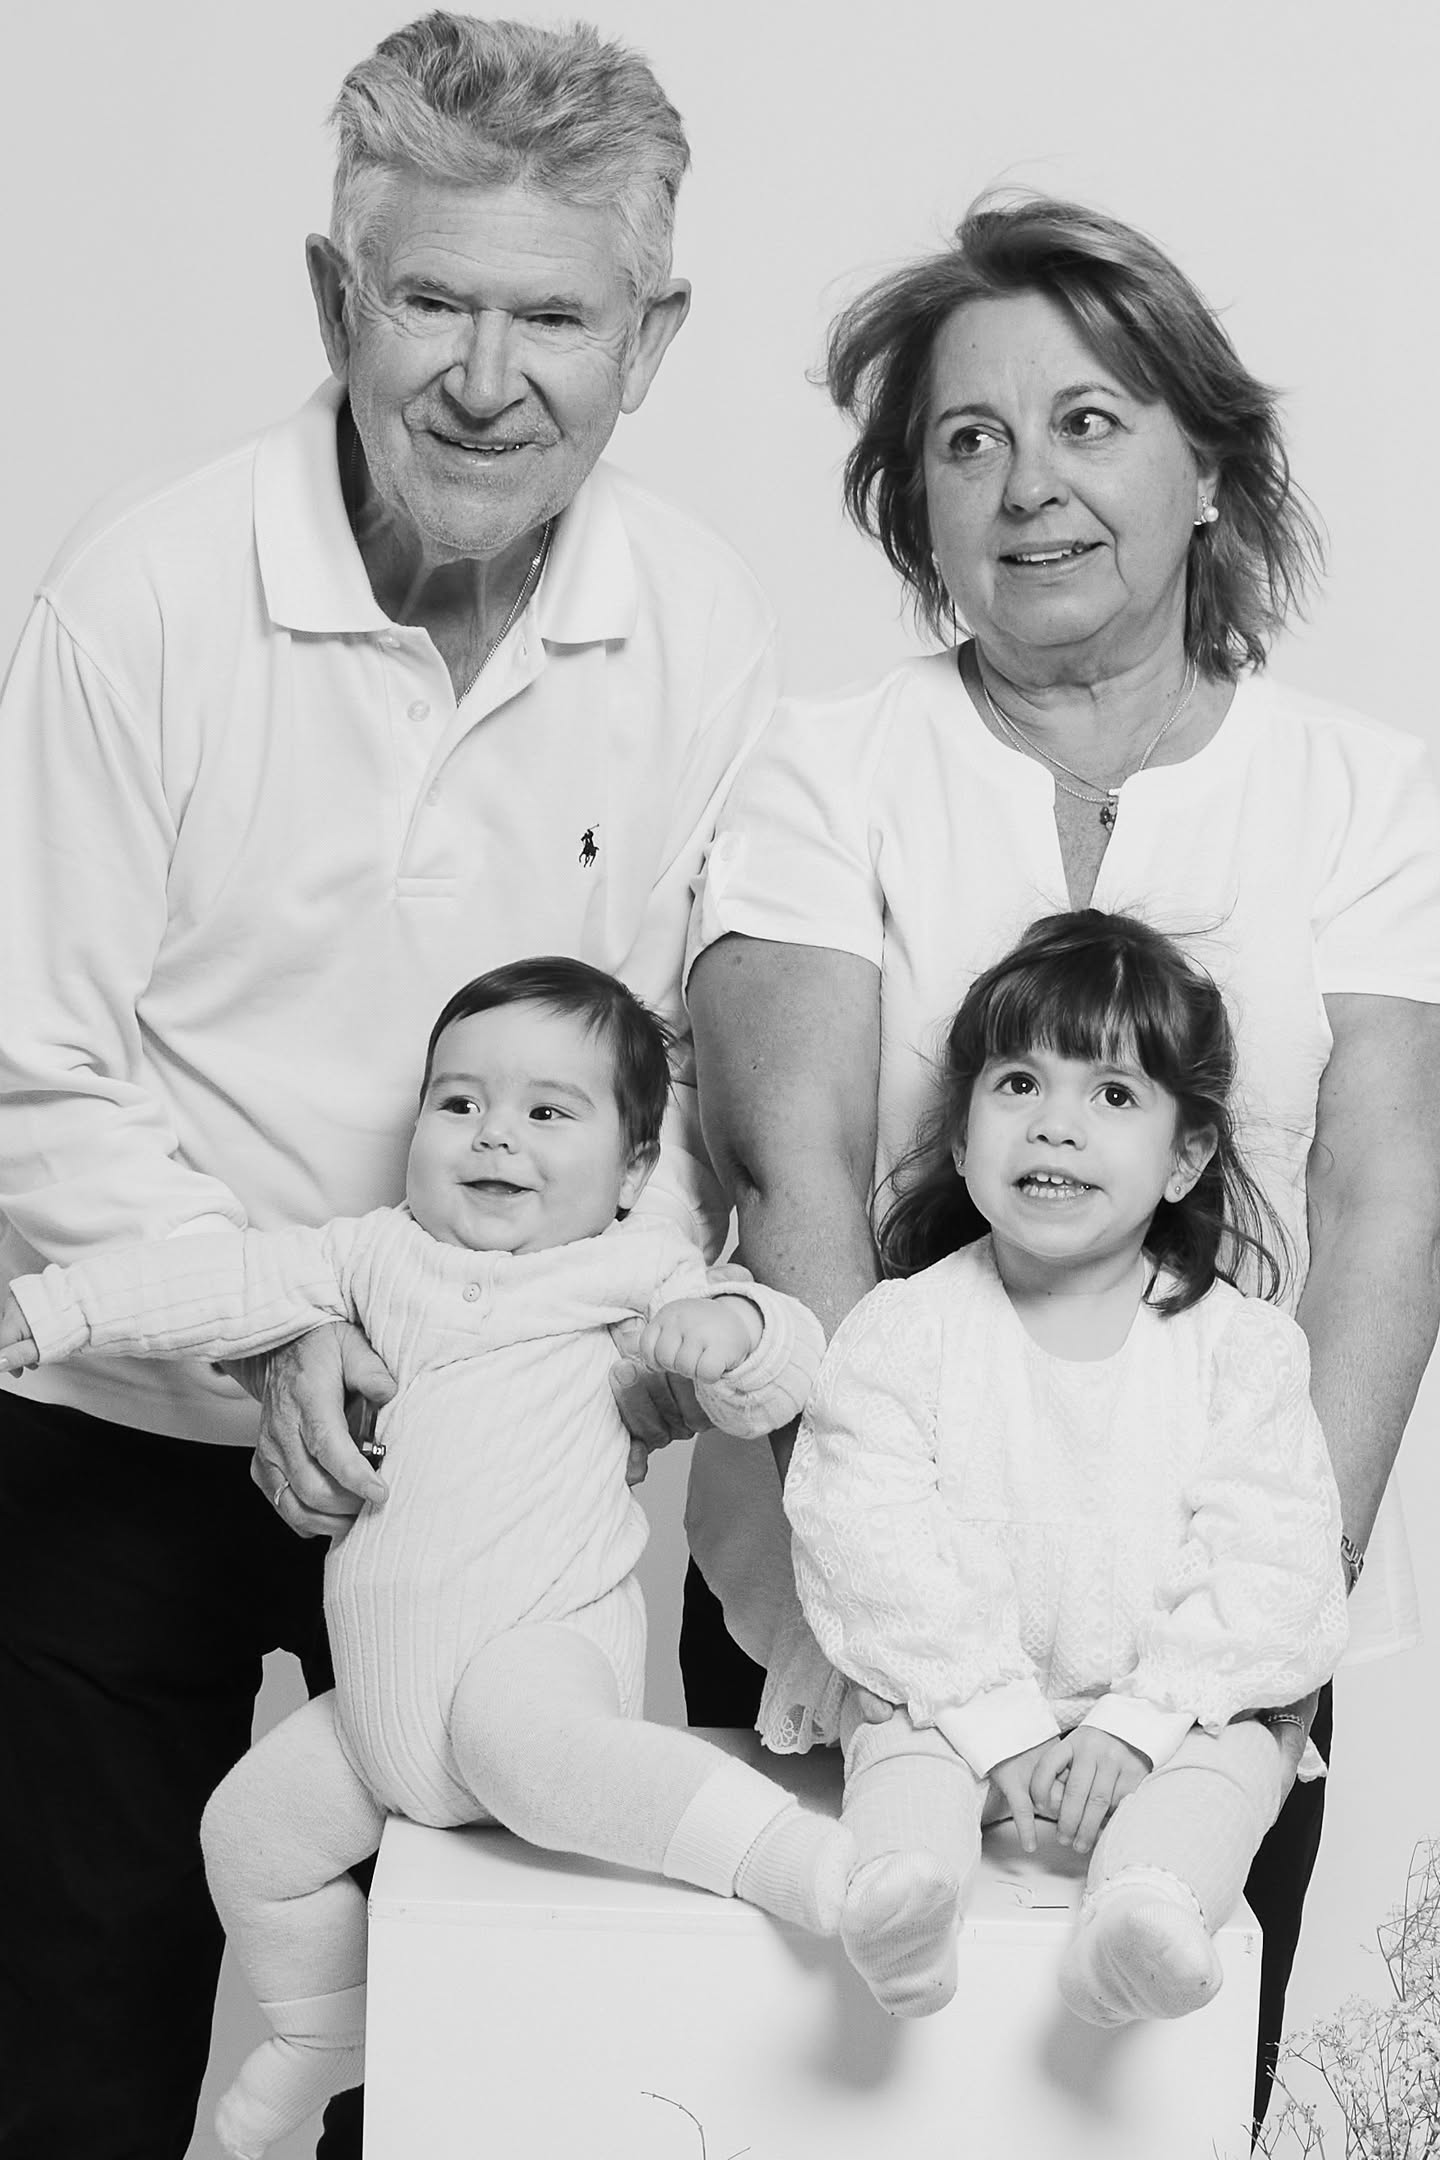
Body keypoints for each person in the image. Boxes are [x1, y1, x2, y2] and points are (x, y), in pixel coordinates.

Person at [0, 18, 778, 2158]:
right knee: (87, 2003)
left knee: (468, 2022)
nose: (486, 374)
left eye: (556, 314)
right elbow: (29, 1051)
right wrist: (272, 1322)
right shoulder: (142, 596)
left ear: (655, 337)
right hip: (134, 1423)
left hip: (504, 1468)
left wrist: (621, 1341)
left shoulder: (700, 623)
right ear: (334, 299)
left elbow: (690, 1085)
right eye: (431, 297)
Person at [681, 193, 1440, 2115]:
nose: (1030, 486)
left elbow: (1386, 1202)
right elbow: (803, 1174)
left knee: (1139, 2110)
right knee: (813, 2110)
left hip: (1213, 1659)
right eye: (968, 440)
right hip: (845, 1627)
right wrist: (927, 1662)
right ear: (912, 509)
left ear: (1211, 467)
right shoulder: (821, 768)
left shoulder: (1363, 795)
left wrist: (1233, 1657)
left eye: (1090, 422)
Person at [1, 960, 863, 2158]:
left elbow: (794, 1363)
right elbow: (217, 1283)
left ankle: (819, 1874)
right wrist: (52, 1314)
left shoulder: (633, 1275)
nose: (494, 1134)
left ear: (629, 1172)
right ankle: (319, 2032)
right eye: (459, 1104)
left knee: (523, 1746)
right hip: (378, 1717)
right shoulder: (370, 1257)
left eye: (548, 1113)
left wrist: (733, 1333)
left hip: (534, 1667)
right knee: (244, 1838)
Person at [760, 911, 1347, 2028]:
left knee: (1243, 1753)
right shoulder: (904, 1332)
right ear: (966, 1129)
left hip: (1161, 1712)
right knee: (898, 1735)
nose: (1057, 1128)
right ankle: (903, 1902)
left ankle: (1144, 1918)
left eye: (1114, 1096)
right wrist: (993, 1720)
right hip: (956, 1688)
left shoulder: (1243, 1352)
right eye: (1019, 1085)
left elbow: (1270, 1563)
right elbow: (868, 1545)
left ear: (1187, 1158)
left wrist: (1143, 1721)